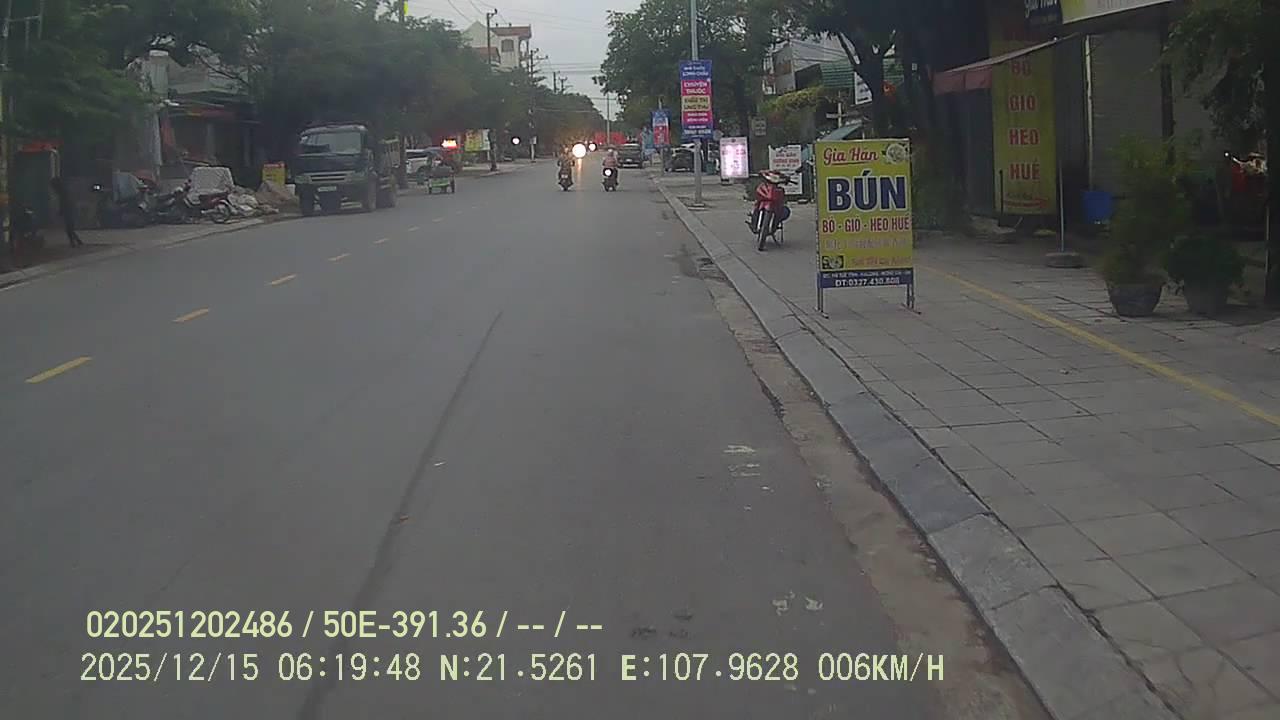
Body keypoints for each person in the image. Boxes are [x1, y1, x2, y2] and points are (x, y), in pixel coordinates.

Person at [49, 176, 83, 248]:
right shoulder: (64, 191)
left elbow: (64, 202)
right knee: (69, 227)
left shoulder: (62, 192)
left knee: (69, 228)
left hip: (68, 210)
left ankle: (74, 242)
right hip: (70, 209)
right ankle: (77, 241)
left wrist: (61, 210)